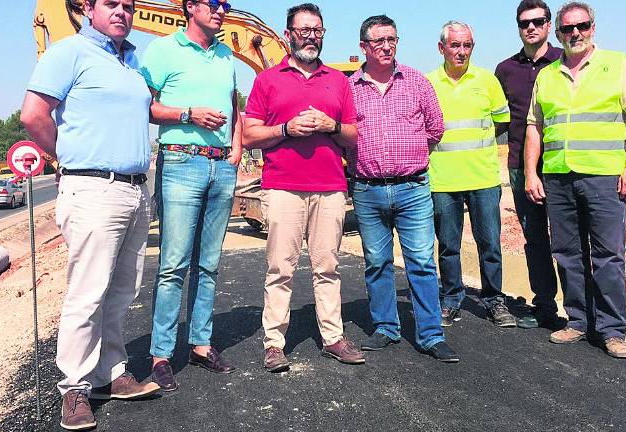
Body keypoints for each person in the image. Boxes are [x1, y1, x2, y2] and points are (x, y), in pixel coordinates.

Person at [20, 0, 159, 429]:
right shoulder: (69, 53)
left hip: (135, 189)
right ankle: (74, 387)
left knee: (122, 291)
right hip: (93, 188)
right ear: (86, 7)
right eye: (111, 4)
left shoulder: (132, 60)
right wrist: (71, 156)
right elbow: (33, 115)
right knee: (88, 292)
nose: (122, 11)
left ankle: (111, 374)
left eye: (129, 6)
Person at [243, 3, 364, 373]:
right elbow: (249, 135)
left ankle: (332, 338)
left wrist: (330, 124)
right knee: (280, 268)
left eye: (318, 30)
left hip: (329, 187)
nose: (311, 36)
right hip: (283, 187)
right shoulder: (267, 80)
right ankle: (274, 343)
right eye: (304, 30)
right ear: (289, 34)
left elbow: (354, 135)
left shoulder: (338, 81)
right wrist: (285, 130)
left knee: (328, 266)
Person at [525, 1, 626, 358]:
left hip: (604, 176)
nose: (575, 33)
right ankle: (577, 320)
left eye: (582, 26)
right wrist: (532, 172)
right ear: (559, 33)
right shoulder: (547, 76)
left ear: (592, 27)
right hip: (559, 177)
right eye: (567, 29)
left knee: (608, 255)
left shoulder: (617, 64)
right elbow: (535, 126)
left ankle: (612, 329)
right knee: (566, 252)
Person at [140, 0, 242, 391]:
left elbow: (236, 107)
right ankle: (161, 355)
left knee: (210, 264)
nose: (221, 10)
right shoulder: (163, 50)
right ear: (189, 7)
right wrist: (188, 114)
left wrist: (235, 151)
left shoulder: (226, 53)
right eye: (213, 3)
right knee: (173, 265)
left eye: (225, 5)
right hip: (182, 163)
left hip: (221, 167)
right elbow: (145, 105)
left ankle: (201, 344)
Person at [349, 15, 458, 362]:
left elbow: (435, 128)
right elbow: (342, 138)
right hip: (367, 190)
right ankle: (385, 327)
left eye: (391, 39)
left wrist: (406, 155)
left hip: (412, 188)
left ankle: (430, 334)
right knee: (377, 262)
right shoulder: (348, 88)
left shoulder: (417, 82)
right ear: (363, 46)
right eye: (378, 40)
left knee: (422, 262)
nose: (385, 45)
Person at [426, 21, 515, 328]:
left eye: (467, 46)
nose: (461, 51)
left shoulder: (487, 81)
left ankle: (494, 300)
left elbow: (502, 123)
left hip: (483, 179)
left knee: (489, 243)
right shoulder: (428, 84)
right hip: (442, 179)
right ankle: (451, 299)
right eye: (455, 45)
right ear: (442, 48)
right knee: (448, 245)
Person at [495, 0, 563, 328]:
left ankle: (583, 312)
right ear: (518, 28)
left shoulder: (566, 62)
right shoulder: (505, 70)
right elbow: (495, 121)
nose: (531, 27)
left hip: (564, 166)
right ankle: (545, 306)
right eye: (524, 23)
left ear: (549, 24)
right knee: (535, 238)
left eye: (537, 21)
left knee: (570, 240)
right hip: (522, 167)